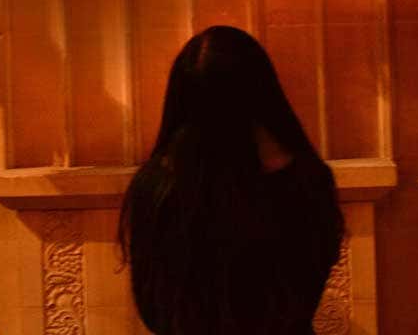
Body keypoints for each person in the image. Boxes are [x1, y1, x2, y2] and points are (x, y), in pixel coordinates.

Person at [118, 25, 344, 335]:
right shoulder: (306, 178)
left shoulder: (157, 185)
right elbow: (302, 297)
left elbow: (153, 308)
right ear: (263, 91)